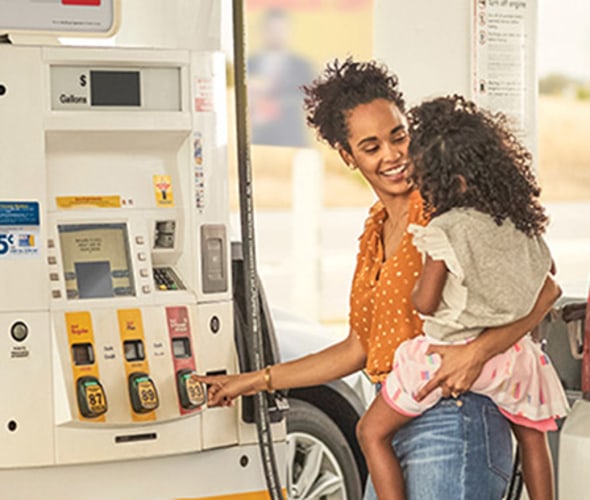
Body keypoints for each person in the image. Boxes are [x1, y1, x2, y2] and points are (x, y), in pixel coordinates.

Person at [195, 59, 561, 499]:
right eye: (371, 147)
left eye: (398, 136)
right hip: (394, 419)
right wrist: (252, 381)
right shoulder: (374, 231)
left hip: (454, 423)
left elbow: (544, 286)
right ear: (348, 157)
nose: (392, 155)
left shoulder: (447, 210)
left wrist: (478, 352)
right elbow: (359, 347)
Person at [356, 94, 569, 500]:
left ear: (444, 181)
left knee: (370, 432)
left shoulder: (445, 230)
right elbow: (548, 277)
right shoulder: (521, 226)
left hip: (446, 360)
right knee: (533, 440)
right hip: (515, 359)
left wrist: (423, 279)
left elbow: (426, 303)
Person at [247, 8, 314, 147]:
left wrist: (278, 104)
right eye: (272, 30)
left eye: (281, 29)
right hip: (257, 142)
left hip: (290, 139)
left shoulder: (302, 66)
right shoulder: (248, 64)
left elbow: (309, 100)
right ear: (263, 31)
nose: (276, 34)